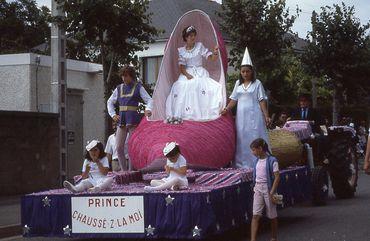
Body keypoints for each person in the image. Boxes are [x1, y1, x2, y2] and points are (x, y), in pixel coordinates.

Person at [221, 47, 270, 168]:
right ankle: (242, 163)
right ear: (240, 72)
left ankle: (258, 162)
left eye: (247, 71)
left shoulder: (257, 83)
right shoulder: (238, 84)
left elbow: (262, 100)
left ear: (251, 71)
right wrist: (226, 109)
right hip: (241, 116)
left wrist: (266, 115)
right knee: (242, 137)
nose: (245, 74)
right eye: (243, 71)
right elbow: (234, 99)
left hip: (254, 115)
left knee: (254, 136)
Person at [165, 25, 222, 121]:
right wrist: (187, 75)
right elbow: (182, 67)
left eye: (193, 35)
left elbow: (211, 58)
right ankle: (184, 114)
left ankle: (201, 112)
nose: (192, 37)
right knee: (181, 86)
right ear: (186, 38)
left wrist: (215, 52)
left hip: (199, 71)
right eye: (189, 36)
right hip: (187, 72)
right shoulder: (182, 51)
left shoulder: (199, 46)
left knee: (200, 85)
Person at [107, 66, 153, 171]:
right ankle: (124, 171)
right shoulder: (118, 88)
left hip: (133, 119)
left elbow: (149, 100)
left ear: (131, 76)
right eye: (123, 76)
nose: (124, 78)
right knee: (118, 147)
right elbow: (110, 102)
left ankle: (131, 171)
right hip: (122, 119)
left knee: (132, 146)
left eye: (126, 76)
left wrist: (148, 109)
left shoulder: (138, 87)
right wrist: (113, 114)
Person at [250, 138, 280, 241]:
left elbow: (277, 177)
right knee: (255, 215)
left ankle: (273, 237)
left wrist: (271, 192)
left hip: (268, 188)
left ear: (260, 148)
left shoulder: (272, 160)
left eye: (254, 150)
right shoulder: (256, 161)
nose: (252, 152)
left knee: (272, 215)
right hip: (258, 188)